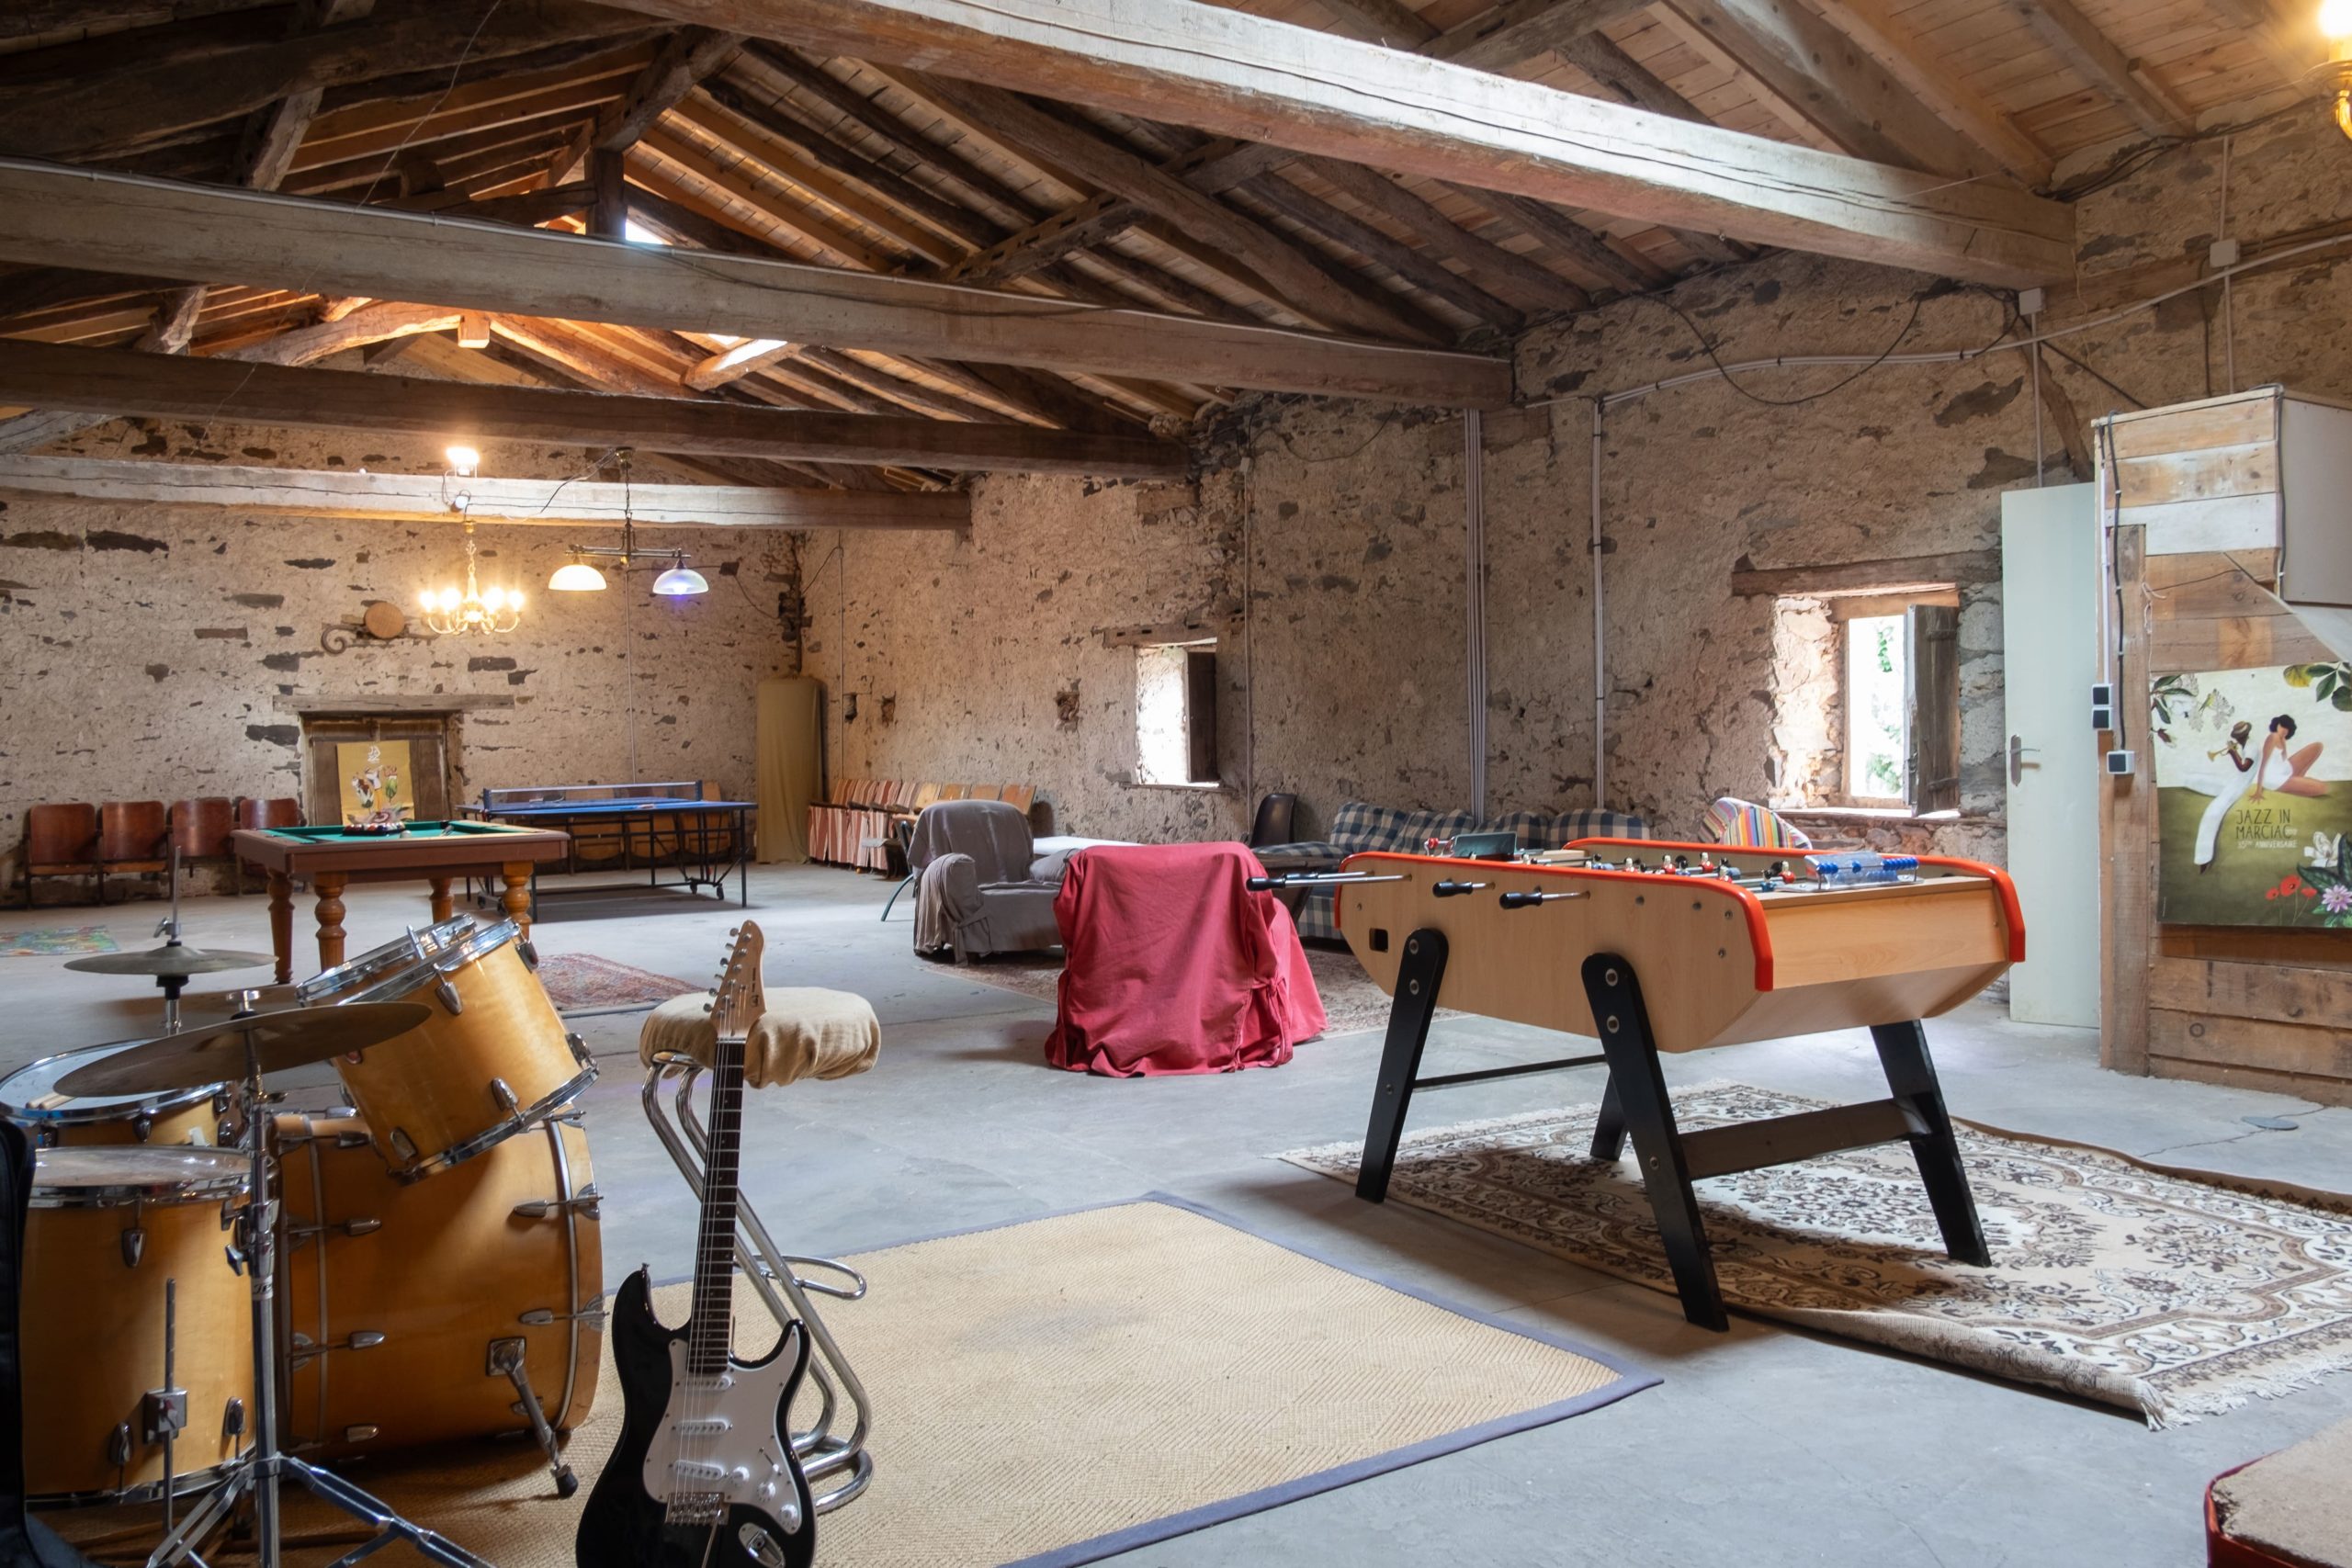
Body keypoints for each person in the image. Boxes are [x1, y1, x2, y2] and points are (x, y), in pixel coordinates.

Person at [2191, 721, 2256, 873]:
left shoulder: (2252, 747)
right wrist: (2235, 751)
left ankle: (2203, 858)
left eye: (2238, 737)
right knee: (2197, 779)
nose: (2237, 740)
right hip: (2236, 780)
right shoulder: (2248, 744)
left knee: (2212, 813)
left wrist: (2233, 752)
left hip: (2240, 785)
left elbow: (2243, 767)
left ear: (2243, 735)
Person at [2248, 714, 2326, 802]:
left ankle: (2297, 783)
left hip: (2285, 771)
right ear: (2277, 724)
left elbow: (2283, 759)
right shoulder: (2273, 737)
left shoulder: (2283, 738)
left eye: (2286, 729)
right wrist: (2258, 791)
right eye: (2282, 726)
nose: (2283, 730)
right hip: (2275, 779)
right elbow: (2263, 765)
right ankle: (2294, 786)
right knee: (2322, 788)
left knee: (2318, 746)